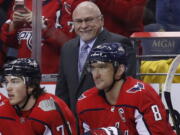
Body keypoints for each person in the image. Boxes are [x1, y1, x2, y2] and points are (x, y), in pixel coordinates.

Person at [76, 42, 176, 135]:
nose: (96, 75)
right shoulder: (85, 102)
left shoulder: (142, 95)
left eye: (102, 67)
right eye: (93, 68)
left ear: (120, 69)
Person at [55, 1, 135, 113]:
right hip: (76, 123)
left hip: (107, 120)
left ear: (101, 20)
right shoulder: (67, 48)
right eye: (78, 21)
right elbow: (62, 91)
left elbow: (128, 86)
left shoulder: (119, 43)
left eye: (89, 20)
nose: (83, 26)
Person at [0, 58, 77, 135]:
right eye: (6, 82)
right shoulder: (3, 110)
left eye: (15, 81)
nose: (8, 88)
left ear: (31, 85)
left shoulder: (50, 112)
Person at [0, 0, 74, 74]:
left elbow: (70, 45)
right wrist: (14, 25)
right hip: (24, 75)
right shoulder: (21, 2)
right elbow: (10, 43)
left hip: (51, 76)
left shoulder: (64, 4)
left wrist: (43, 25)